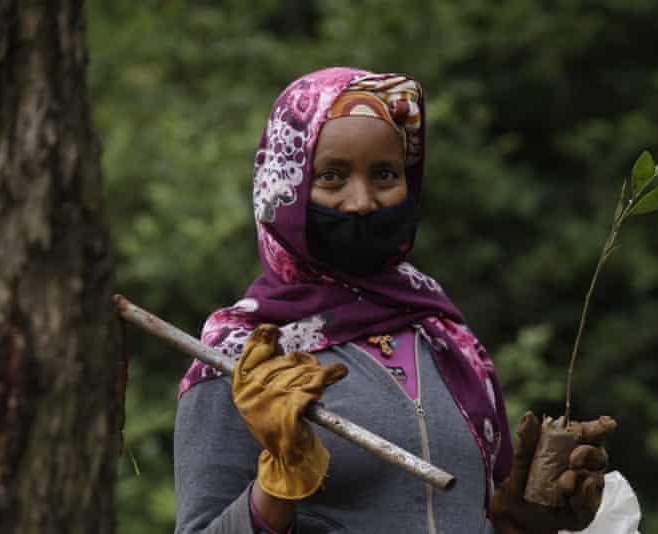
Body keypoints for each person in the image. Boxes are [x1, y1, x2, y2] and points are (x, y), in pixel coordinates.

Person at [174, 67, 615, 534]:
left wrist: (524, 517)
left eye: (385, 174)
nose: (363, 201)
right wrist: (279, 483)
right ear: (287, 190)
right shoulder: (242, 359)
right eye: (332, 176)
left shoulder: (445, 339)